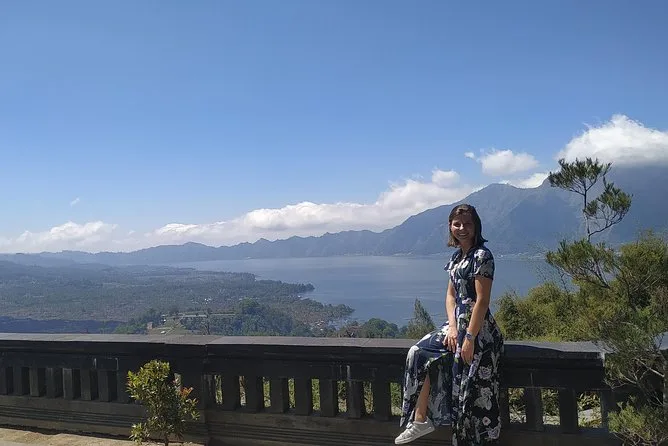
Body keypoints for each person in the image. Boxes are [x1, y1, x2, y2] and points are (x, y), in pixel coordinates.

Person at [395, 204, 504, 445]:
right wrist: (453, 328)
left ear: (476, 226)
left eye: (467, 224)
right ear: (450, 227)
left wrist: (469, 338)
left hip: (478, 330)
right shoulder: (456, 257)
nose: (462, 228)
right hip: (457, 324)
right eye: (457, 224)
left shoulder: (482, 256)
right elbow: (450, 296)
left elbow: (482, 301)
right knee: (418, 353)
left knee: (471, 395)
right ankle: (420, 419)